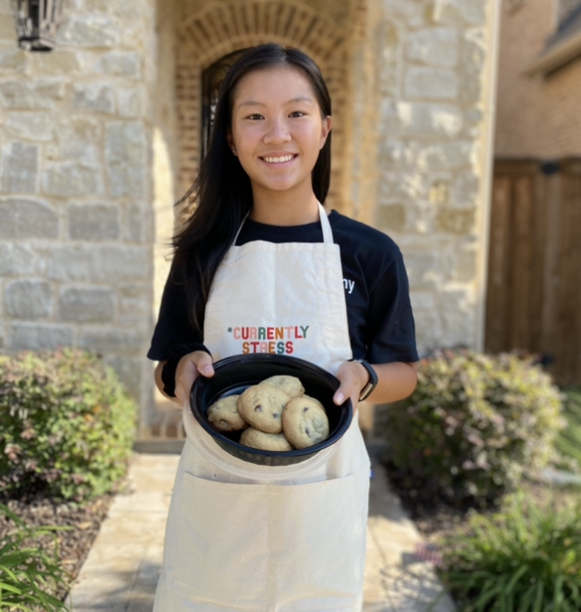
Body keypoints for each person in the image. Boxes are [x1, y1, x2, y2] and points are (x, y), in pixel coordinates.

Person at [147, 42, 419, 611]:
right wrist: (182, 371)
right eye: (254, 117)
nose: (277, 134)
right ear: (230, 138)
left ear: (323, 128)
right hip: (219, 497)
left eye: (296, 113)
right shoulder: (201, 253)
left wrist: (364, 377)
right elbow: (166, 371)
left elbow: (405, 372)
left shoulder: (369, 253)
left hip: (320, 496)